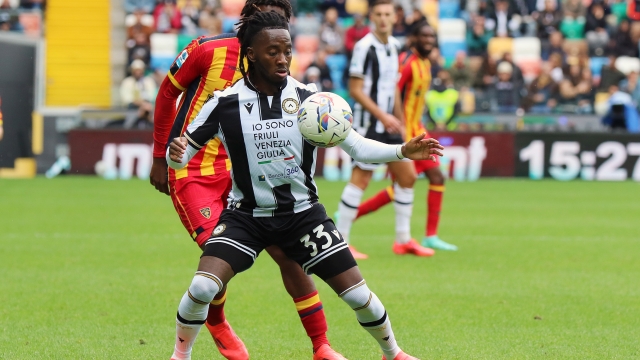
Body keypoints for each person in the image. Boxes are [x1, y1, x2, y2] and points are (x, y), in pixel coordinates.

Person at [166, 11, 443, 360]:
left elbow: (356, 146)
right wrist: (173, 154)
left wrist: (401, 150)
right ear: (250, 53)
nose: (283, 59)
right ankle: (180, 356)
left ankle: (394, 353)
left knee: (358, 296)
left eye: (287, 50)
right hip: (246, 217)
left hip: (303, 216)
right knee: (203, 285)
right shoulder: (223, 104)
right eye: (272, 51)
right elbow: (180, 159)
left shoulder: (311, 101)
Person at [149, 1, 344, 359]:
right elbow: (167, 94)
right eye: (266, 16)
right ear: (248, 17)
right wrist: (161, 155)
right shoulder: (207, 49)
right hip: (194, 173)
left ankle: (321, 345)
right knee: (216, 260)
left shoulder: (276, 60)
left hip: (243, 172)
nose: (275, 25)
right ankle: (218, 323)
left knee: (288, 254)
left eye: (282, 20)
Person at [350, 21, 458, 251]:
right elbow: (393, 93)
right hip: (406, 131)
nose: (429, 40)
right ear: (413, 39)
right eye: (424, 36)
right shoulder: (406, 63)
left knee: (430, 178)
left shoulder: (426, 63)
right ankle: (352, 214)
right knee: (404, 182)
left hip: (418, 128)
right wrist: (397, 126)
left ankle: (427, 236)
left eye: (432, 37)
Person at [336, 0, 431, 259]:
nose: (383, 18)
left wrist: (399, 122)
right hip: (369, 123)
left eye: (388, 14)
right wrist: (383, 115)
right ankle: (342, 241)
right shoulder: (364, 47)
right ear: (371, 17)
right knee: (361, 178)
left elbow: (394, 90)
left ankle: (403, 240)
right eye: (378, 14)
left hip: (390, 123)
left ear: (395, 17)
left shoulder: (395, 46)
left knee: (408, 177)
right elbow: (355, 89)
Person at [120, 59, 156, 128]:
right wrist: (140, 103)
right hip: (131, 109)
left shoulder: (148, 81)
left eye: (139, 70)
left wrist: (144, 104)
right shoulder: (127, 82)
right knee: (129, 124)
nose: (138, 72)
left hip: (147, 109)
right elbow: (126, 99)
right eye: (136, 70)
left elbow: (151, 96)